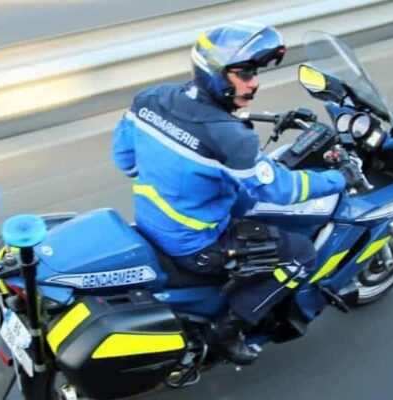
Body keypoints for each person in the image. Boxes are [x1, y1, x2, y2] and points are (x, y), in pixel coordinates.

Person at [112, 21, 346, 364]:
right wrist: (337, 178)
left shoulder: (152, 99)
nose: (255, 82)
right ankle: (229, 328)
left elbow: (125, 161)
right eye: (245, 73)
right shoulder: (231, 139)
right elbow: (282, 189)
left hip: (150, 219)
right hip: (197, 245)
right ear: (217, 74)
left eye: (255, 73)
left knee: (244, 204)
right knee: (300, 254)